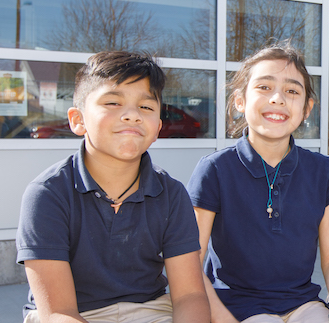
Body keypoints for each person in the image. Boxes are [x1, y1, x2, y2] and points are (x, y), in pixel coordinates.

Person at [15, 51, 210, 323]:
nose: (132, 115)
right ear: (77, 120)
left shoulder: (172, 195)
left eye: (146, 107)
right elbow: (58, 312)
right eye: (113, 102)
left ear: (157, 129)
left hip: (151, 310)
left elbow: (189, 296)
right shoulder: (47, 194)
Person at [186, 44, 329, 323]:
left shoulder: (323, 170)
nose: (278, 98)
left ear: (306, 109)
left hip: (304, 304)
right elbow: (191, 258)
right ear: (240, 101)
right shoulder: (215, 169)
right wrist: (219, 316)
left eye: (292, 91)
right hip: (236, 307)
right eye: (264, 87)